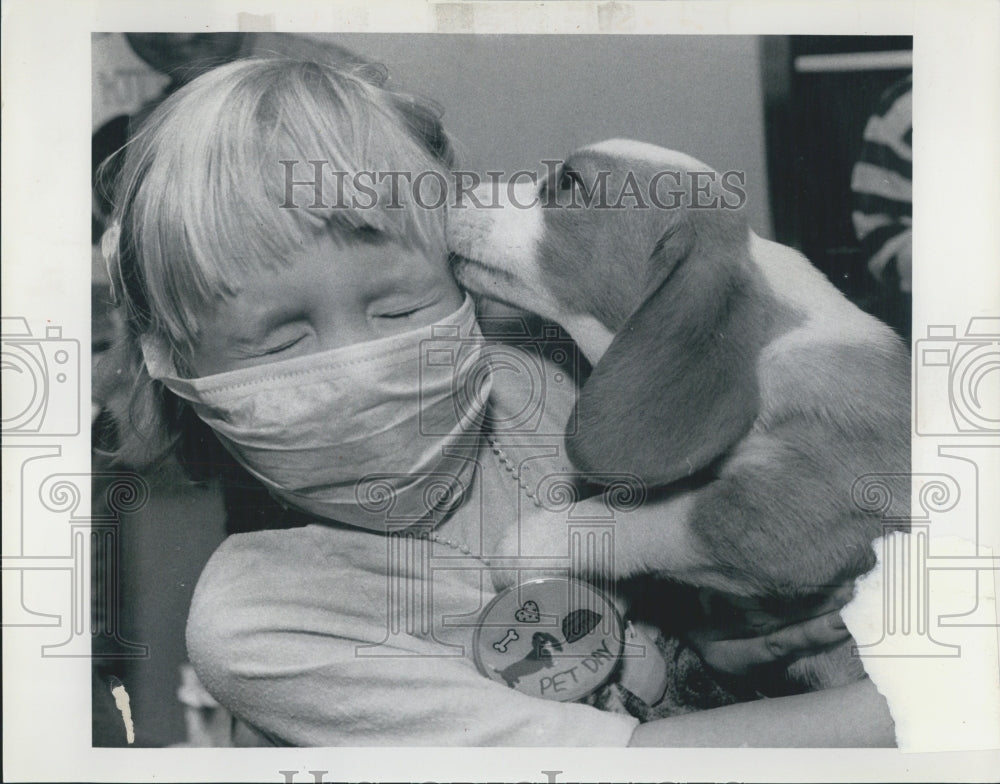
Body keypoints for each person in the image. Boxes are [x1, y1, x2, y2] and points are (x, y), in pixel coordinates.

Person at [102, 57, 894, 746]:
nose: (358, 362)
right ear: (175, 368)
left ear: (463, 288)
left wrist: (709, 648)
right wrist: (917, 714)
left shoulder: (553, 388)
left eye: (400, 310)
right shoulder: (263, 625)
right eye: (280, 341)